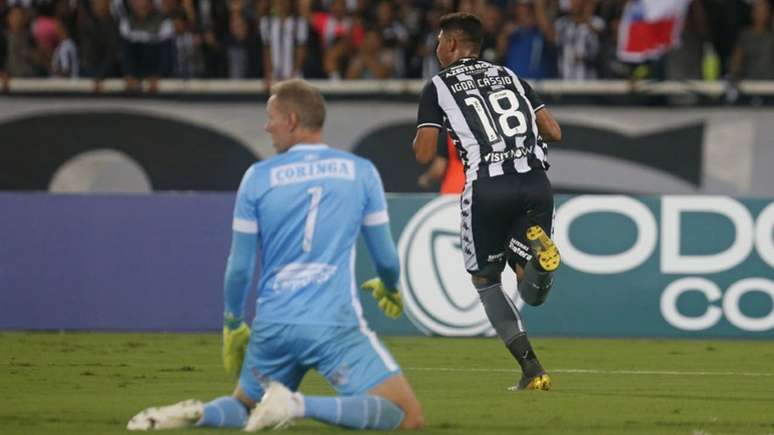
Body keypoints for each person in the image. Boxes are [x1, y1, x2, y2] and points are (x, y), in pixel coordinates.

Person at [127, 79, 424, 432]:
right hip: (332, 322)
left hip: (274, 324)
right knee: (406, 415)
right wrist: (390, 285)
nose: (267, 127)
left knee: (244, 405)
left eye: (272, 118)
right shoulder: (361, 171)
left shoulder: (257, 177)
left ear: (293, 120)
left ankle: (195, 414)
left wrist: (233, 322)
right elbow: (387, 259)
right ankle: (296, 404)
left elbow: (239, 268)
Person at [412, 12, 562, 391]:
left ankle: (532, 369)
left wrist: (427, 132)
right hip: (535, 182)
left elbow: (425, 153)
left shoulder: (439, 86)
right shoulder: (512, 77)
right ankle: (535, 254)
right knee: (527, 278)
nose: (437, 48)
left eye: (440, 41)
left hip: (488, 189)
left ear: (450, 44)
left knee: (486, 281)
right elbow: (553, 131)